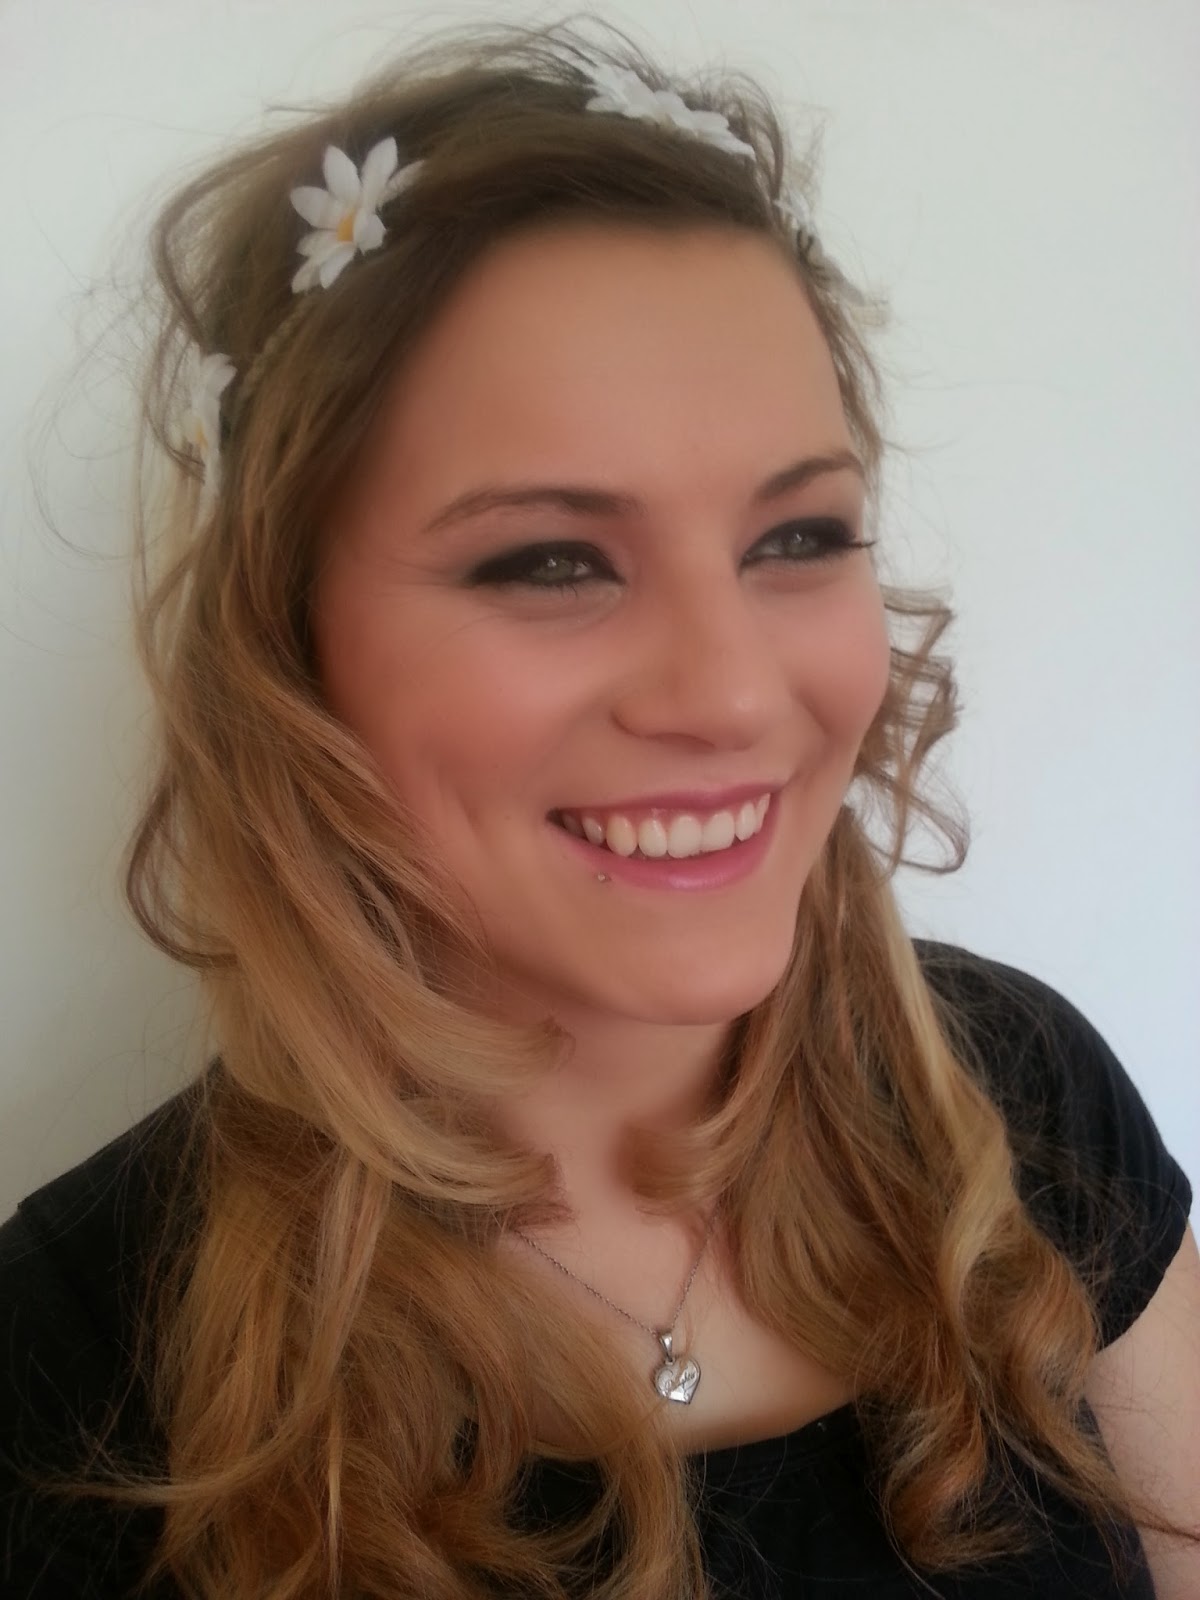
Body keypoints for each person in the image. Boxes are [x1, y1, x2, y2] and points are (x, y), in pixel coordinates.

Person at [1, 15, 1197, 1599]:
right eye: (551, 560)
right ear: (287, 642)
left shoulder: (1023, 1100)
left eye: (797, 538)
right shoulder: (60, 1370)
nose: (732, 692)